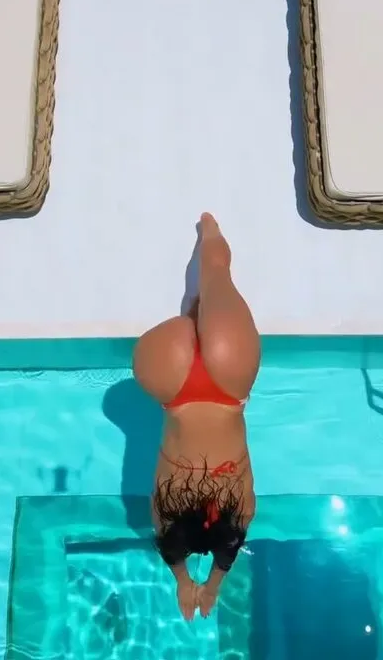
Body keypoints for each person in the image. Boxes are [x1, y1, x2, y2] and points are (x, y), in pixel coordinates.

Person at [133, 212, 261, 620]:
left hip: (229, 377)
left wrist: (213, 584)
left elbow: (230, 548)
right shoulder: (163, 511)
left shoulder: (243, 509)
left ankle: (210, 232)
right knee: (198, 311)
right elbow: (167, 543)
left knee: (217, 271)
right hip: (169, 381)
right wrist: (183, 581)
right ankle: (191, 323)